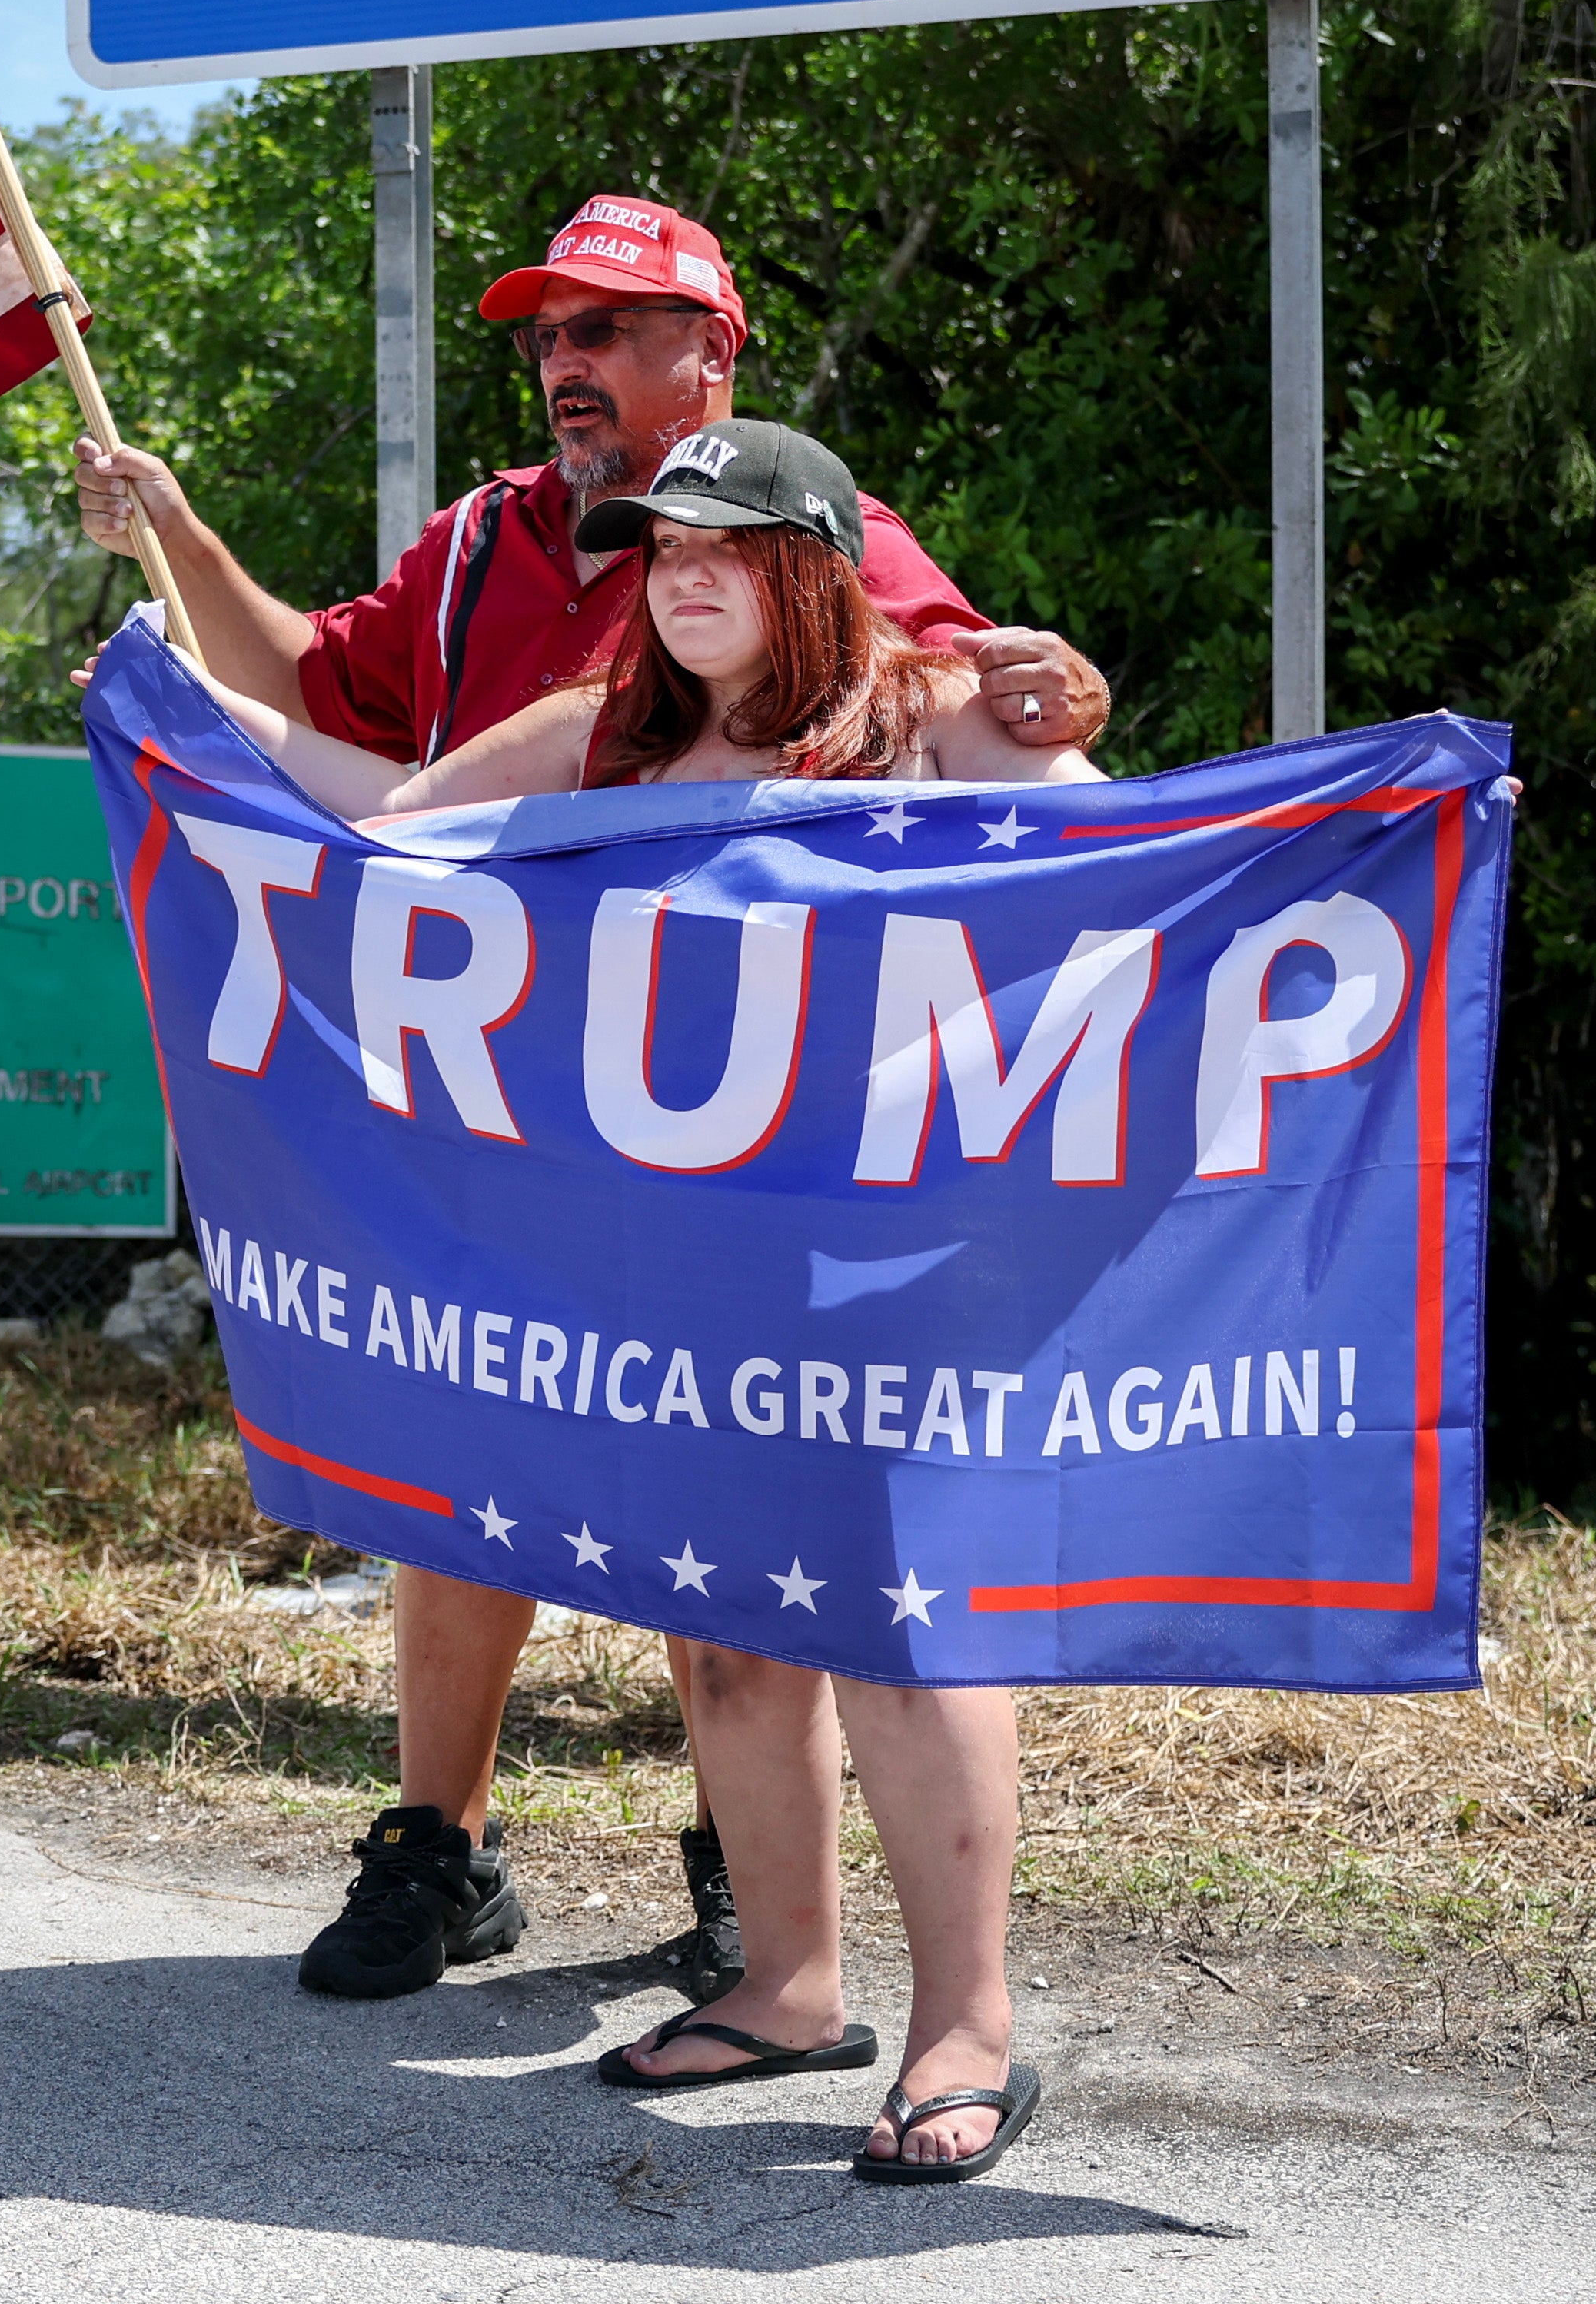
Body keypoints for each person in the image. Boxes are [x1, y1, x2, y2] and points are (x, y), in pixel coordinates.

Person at [73, 194, 1109, 2012]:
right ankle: (442, 1842)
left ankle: (770, 1906)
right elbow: (334, 727)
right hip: (506, 1102)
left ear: (714, 352)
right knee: (465, 1452)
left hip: (756, 1145)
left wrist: (1055, 697)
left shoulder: (826, 525)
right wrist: (174, 572)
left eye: (612, 330)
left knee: (765, 1526)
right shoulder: (486, 550)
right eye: (550, 332)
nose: (567, 361)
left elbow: (964, 720)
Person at [196, 417, 1069, 2181]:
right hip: (680, 1277)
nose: (678, 570)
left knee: (898, 1626)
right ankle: (789, 1982)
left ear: (818, 568)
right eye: (660, 545)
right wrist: (174, 701)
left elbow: (1132, 895)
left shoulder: (940, 708)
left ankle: (966, 2026)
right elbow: (377, 815)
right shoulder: (607, 731)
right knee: (734, 1626)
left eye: (726, 544)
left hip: (893, 1271)